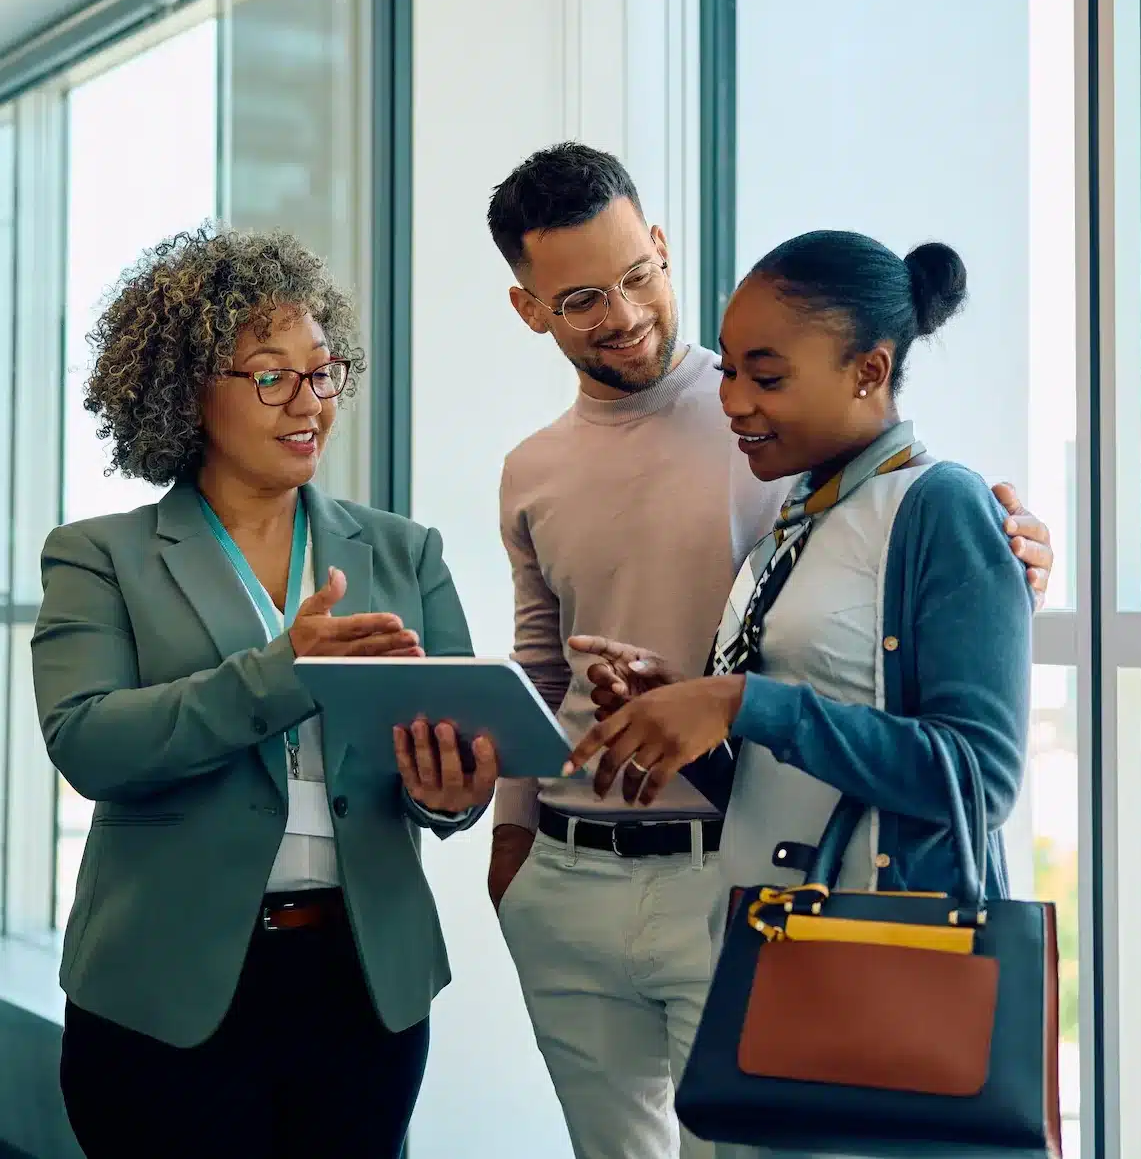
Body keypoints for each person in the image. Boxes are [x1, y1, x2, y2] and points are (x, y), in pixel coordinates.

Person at [486, 143, 1053, 1159]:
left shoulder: (887, 489)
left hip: (829, 919)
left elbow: (976, 762)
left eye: (636, 277)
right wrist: (674, 707)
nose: (736, 400)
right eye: (581, 298)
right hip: (712, 891)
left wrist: (737, 702)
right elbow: (586, 677)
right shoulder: (797, 504)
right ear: (531, 309)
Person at [32, 227, 496, 1159]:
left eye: (323, 373)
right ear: (185, 391)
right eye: (270, 376)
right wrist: (285, 672)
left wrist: (453, 794)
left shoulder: (404, 552)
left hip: (363, 983)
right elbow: (90, 746)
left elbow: (453, 741)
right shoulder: (100, 555)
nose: (309, 404)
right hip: (164, 988)